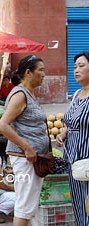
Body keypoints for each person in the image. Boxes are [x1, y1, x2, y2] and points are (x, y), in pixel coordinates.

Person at [0, 55, 47, 226]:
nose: (44, 74)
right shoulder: (20, 94)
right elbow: (2, 125)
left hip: (31, 159)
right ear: (28, 72)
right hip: (25, 159)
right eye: (40, 70)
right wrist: (27, 148)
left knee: (26, 205)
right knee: (23, 208)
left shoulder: (30, 94)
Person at [56, 52, 89, 226]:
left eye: (81, 66)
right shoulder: (76, 94)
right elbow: (71, 121)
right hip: (73, 161)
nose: (76, 70)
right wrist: (63, 133)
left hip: (87, 161)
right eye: (75, 66)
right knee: (78, 204)